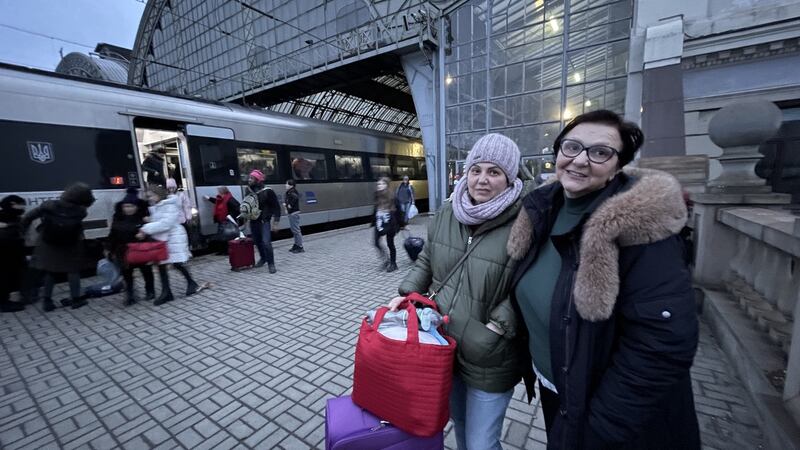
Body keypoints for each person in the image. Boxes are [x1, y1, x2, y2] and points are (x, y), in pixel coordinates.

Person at [506, 109, 700, 449]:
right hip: (559, 392)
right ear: (558, 153)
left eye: (599, 152)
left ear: (617, 167)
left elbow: (663, 343)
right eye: (572, 147)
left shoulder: (642, 229)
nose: (580, 160)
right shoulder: (542, 209)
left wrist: (603, 427)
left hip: (606, 414)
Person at [387, 133, 531, 449]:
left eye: (494, 172)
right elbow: (427, 259)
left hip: (489, 354)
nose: (482, 180)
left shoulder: (527, 221)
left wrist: (495, 328)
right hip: (443, 344)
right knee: (461, 426)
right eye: (475, 170)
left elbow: (530, 285)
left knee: (481, 443)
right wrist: (408, 292)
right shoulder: (448, 212)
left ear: (510, 177)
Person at [22, 182, 95, 311]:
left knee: (51, 271)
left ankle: (47, 301)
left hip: (48, 242)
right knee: (73, 270)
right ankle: (76, 299)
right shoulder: (81, 212)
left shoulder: (48, 205)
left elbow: (29, 217)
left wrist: (22, 230)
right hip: (70, 243)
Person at [138, 185, 205, 305]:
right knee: (162, 265)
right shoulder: (158, 206)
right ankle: (167, 291)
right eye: (148, 197)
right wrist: (150, 221)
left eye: (151, 195)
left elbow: (166, 223)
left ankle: (189, 284)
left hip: (174, 237)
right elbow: (160, 222)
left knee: (177, 263)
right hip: (164, 238)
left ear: (158, 194)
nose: (149, 199)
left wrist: (145, 229)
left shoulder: (169, 205)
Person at [107, 188, 155, 306]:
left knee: (146, 272)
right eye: (125, 206)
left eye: (131, 206)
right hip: (124, 251)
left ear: (136, 207)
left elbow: (150, 234)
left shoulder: (142, 218)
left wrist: (144, 237)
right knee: (127, 274)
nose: (128, 209)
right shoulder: (118, 218)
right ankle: (130, 295)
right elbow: (112, 234)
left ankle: (150, 291)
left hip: (141, 250)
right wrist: (109, 248)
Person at [245, 170, 281, 273]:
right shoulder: (248, 191)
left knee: (266, 242)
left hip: (264, 221)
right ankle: (263, 258)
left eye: (251, 178)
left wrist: (276, 222)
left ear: (258, 180)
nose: (249, 180)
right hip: (253, 221)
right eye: (249, 178)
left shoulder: (268, 191)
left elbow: (276, 207)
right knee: (257, 241)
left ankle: (271, 264)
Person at [0, 195, 28, 312]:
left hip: (12, 253)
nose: (23, 208)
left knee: (10, 276)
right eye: (20, 205)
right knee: (4, 276)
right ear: (11, 204)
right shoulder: (6, 218)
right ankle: (4, 303)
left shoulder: (14, 218)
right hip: (5, 254)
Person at [372, 177, 401, 273]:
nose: (379, 186)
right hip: (379, 222)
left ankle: (393, 263)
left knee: (390, 244)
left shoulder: (393, 197)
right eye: (378, 184)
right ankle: (386, 259)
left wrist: (402, 225)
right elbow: (375, 209)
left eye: (382, 184)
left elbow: (399, 212)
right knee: (376, 242)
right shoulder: (377, 195)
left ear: (387, 185)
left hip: (390, 223)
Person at [204, 187, 241, 254]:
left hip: (228, 220)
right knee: (222, 236)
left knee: (228, 236)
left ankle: (227, 251)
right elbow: (217, 201)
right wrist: (209, 198)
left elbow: (238, 208)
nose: (218, 192)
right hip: (222, 220)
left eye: (219, 191)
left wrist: (230, 216)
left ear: (223, 192)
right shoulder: (222, 199)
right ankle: (223, 250)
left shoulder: (230, 199)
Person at [284, 179, 304, 253]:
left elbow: (295, 198)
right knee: (294, 230)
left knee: (296, 230)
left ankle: (300, 246)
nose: (285, 185)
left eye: (287, 184)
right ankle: (296, 244)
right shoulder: (290, 192)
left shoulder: (292, 192)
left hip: (294, 213)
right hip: (292, 213)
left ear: (291, 186)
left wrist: (289, 205)